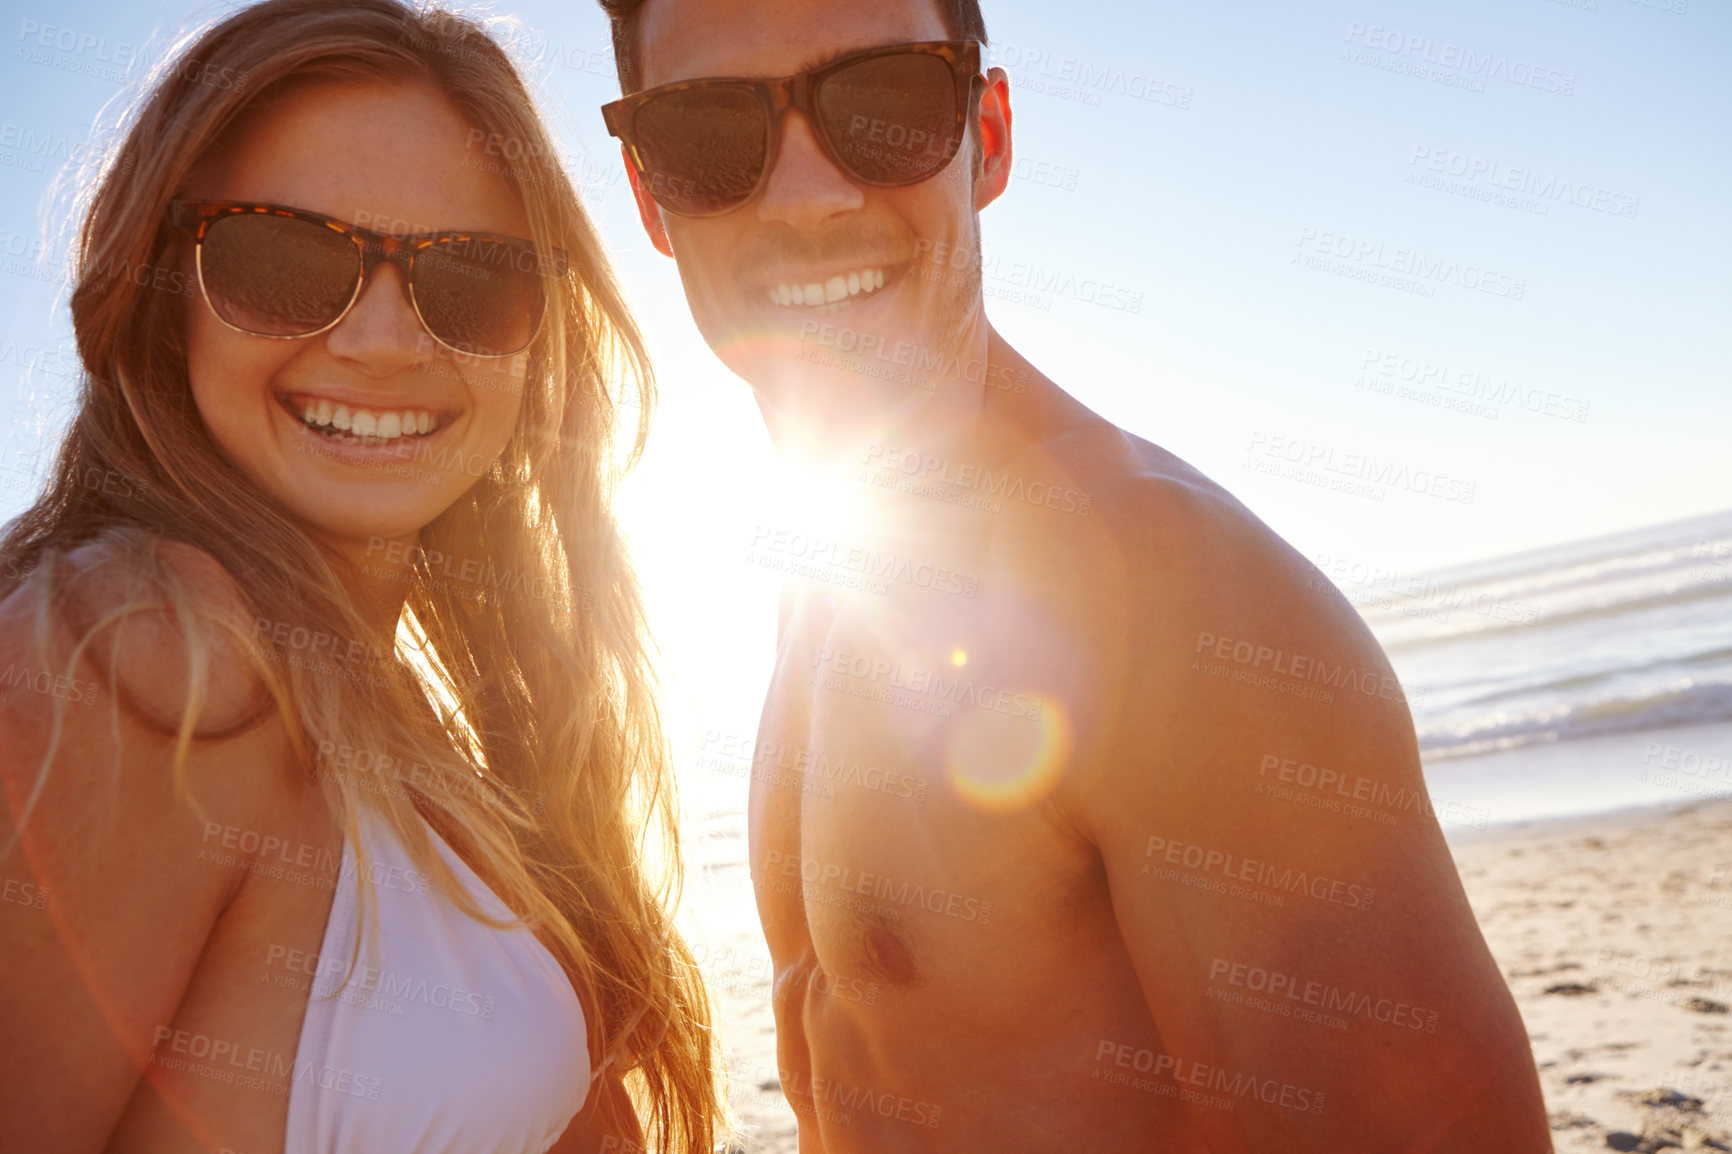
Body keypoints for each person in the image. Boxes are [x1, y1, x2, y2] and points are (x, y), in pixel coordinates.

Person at [594, 0, 1552, 1149]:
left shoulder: (1172, 592)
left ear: (986, 136)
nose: (807, 196)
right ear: (650, 194)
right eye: (707, 134)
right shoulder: (827, 573)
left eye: (885, 106)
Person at [0, 2, 723, 1151]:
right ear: (159, 286)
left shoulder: (394, 713)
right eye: (283, 258)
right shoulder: (144, 649)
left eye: (476, 277)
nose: (384, 341)